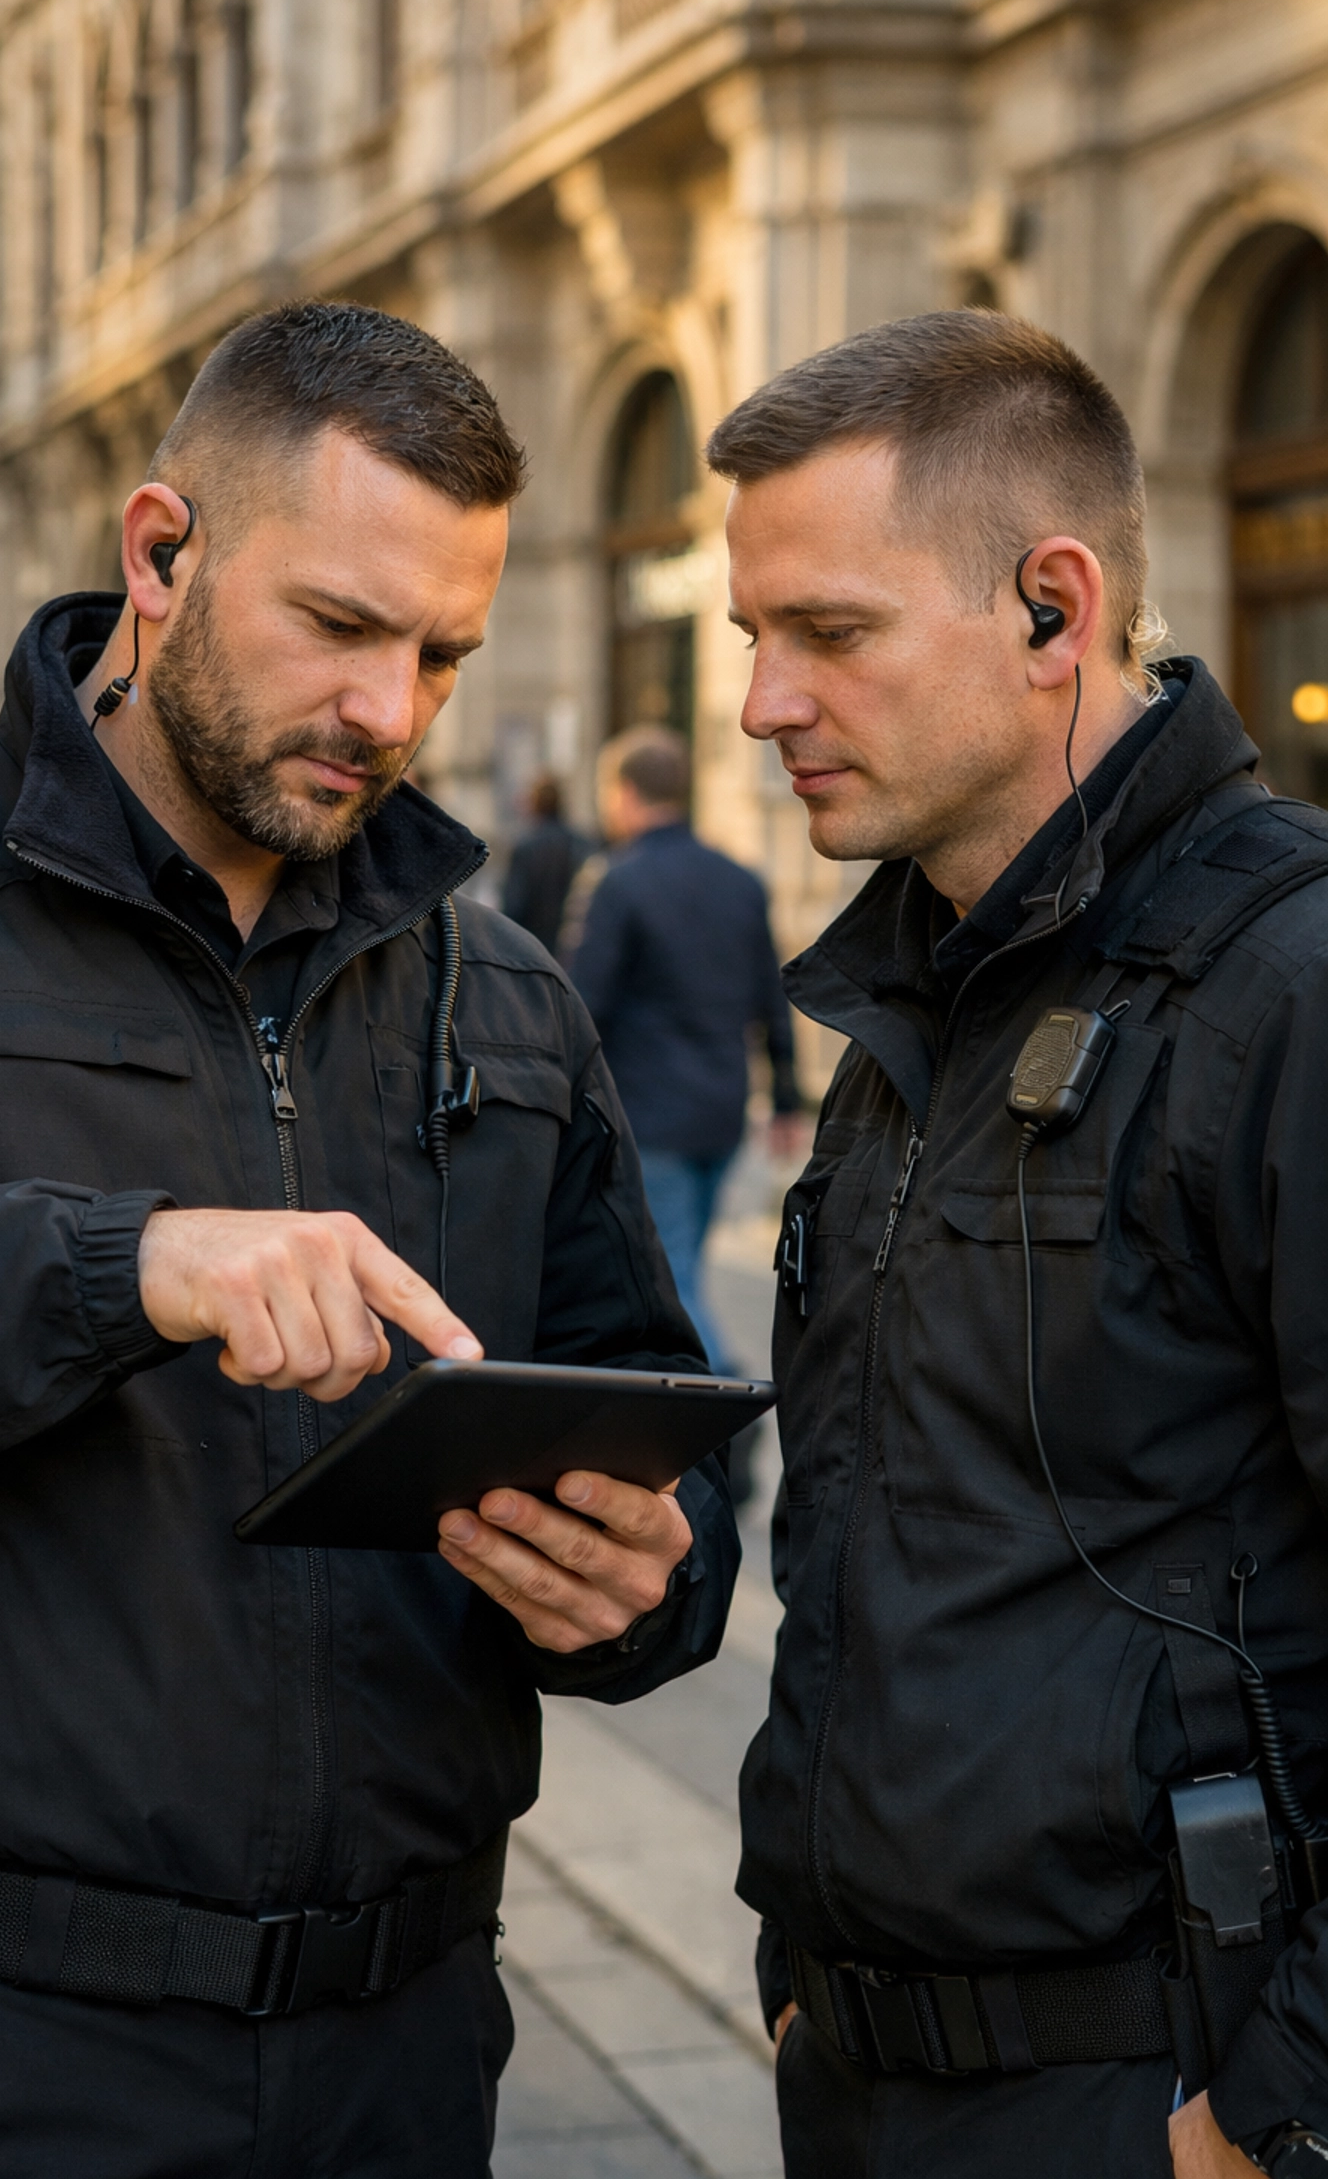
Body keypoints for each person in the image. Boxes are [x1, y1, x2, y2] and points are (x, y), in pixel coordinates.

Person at [0, 301, 739, 2178]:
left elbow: (660, 1429)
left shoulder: (511, 986)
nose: (390, 711)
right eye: (340, 625)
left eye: (443, 656)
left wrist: (646, 1578)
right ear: (162, 553)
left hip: (404, 2051)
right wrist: (112, 1264)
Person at [711, 307, 1328, 2179]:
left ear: (1053, 609)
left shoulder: (1286, 984)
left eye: (830, 631)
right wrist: (805, 1966)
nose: (764, 702)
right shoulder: (924, 995)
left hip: (1150, 2086)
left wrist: (1270, 2102)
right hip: (877, 2071)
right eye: (755, 637)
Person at [566, 724, 802, 1382]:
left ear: (624, 792)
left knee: (670, 1272)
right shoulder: (740, 880)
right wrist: (784, 1097)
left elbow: (582, 1005)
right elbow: (771, 993)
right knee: (685, 1259)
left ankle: (722, 1390)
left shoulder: (617, 882)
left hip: (651, 1109)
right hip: (723, 1109)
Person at [501, 771, 590, 955]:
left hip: (534, 946)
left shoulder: (525, 846)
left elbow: (514, 905)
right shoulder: (580, 842)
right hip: (571, 946)